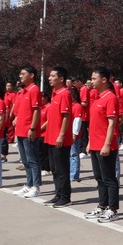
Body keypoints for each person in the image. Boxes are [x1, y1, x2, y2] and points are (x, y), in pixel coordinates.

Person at [85, 67, 121, 223]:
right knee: (99, 178)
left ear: (104, 80)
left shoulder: (110, 97)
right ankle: (102, 205)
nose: (91, 81)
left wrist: (107, 144)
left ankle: (112, 209)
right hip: (94, 144)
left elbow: (112, 123)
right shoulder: (98, 98)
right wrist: (89, 142)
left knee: (109, 178)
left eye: (94, 79)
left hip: (105, 145)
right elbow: (95, 124)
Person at [43, 67, 74, 207]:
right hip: (50, 137)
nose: (50, 78)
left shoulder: (65, 94)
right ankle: (58, 193)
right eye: (49, 76)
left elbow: (66, 116)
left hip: (60, 138)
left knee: (62, 169)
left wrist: (61, 135)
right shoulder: (54, 93)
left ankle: (65, 196)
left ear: (61, 79)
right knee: (54, 169)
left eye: (53, 76)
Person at [12, 66, 43, 198]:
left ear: (31, 75)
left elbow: (36, 110)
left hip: (28, 130)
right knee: (25, 161)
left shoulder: (34, 89)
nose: (20, 76)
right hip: (20, 130)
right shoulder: (23, 91)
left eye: (23, 74)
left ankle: (36, 187)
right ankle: (28, 184)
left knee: (32, 160)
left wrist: (33, 128)